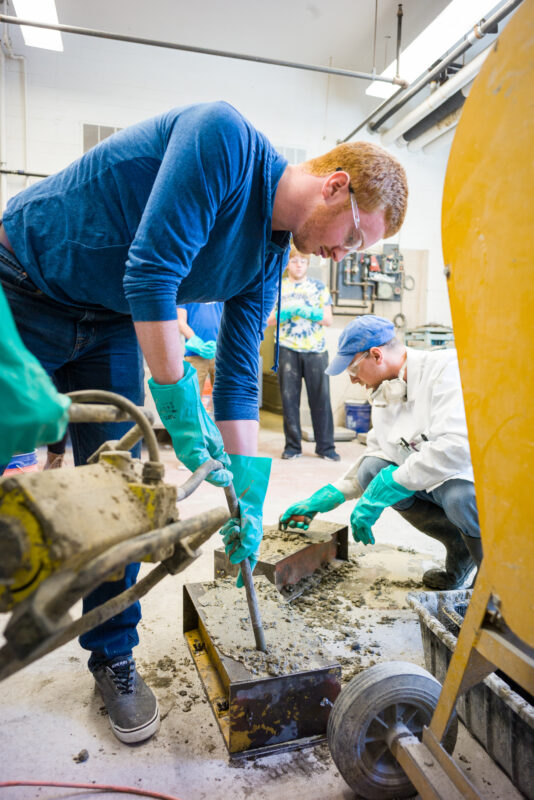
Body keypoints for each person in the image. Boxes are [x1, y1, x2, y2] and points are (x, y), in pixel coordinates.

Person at [0, 102, 407, 743]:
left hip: (105, 317)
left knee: (120, 492)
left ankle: (112, 656)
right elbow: (153, 272)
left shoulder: (269, 261)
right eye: (353, 238)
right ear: (336, 186)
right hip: (25, 280)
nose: (339, 254)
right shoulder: (224, 141)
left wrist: (247, 489)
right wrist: (180, 406)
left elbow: (242, 377)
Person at [280, 314, 482, 590]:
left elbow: (457, 449)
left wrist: (394, 483)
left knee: (461, 498)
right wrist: (332, 494)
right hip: (434, 479)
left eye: (353, 370)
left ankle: (492, 581)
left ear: (376, 355)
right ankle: (457, 544)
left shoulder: (446, 369)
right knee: (371, 469)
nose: (353, 381)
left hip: (473, 481)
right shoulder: (386, 390)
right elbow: (380, 452)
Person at [267, 245, 339, 461]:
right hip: (286, 348)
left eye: (303, 261)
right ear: (287, 263)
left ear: (308, 264)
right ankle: (292, 447)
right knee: (289, 400)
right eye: (294, 261)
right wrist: (286, 312)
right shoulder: (276, 286)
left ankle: (326, 447)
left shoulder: (318, 287)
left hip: (316, 350)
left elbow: (328, 319)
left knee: (321, 399)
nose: (298, 265)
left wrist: (305, 311)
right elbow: (267, 320)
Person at [177, 301, 223, 402]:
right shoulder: (187, 288)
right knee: (192, 400)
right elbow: (180, 322)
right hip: (194, 355)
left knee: (225, 399)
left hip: (221, 355)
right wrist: (197, 343)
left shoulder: (221, 288)